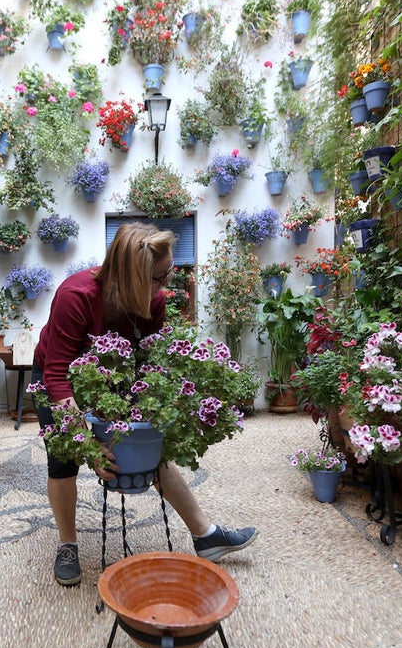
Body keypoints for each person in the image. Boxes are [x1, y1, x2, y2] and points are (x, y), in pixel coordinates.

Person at [31, 222, 257, 586]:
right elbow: (57, 376)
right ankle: (68, 543)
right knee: (62, 461)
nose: (167, 283)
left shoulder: (153, 301)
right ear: (131, 276)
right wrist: (89, 446)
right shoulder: (76, 296)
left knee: (150, 445)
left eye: (170, 272)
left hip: (117, 373)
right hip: (57, 376)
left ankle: (206, 535)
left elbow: (150, 363)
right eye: (160, 276)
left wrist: (157, 415)